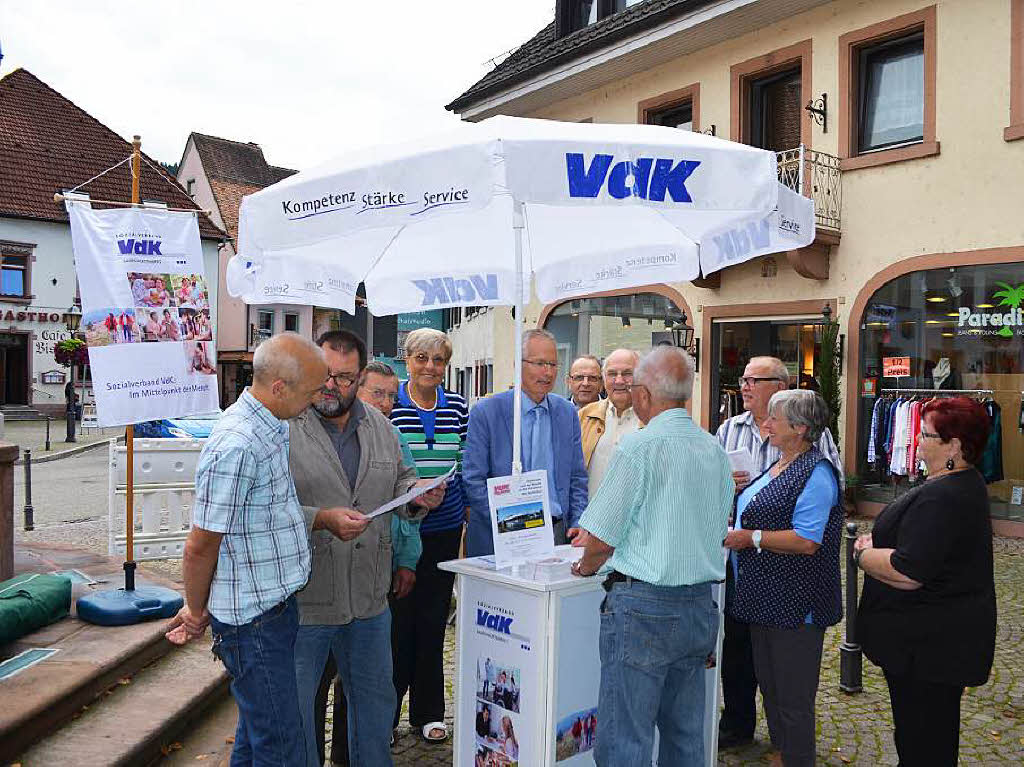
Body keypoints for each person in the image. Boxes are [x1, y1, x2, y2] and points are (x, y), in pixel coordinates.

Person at [164, 332, 360, 764]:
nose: (316, 400)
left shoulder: (272, 423)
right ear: (278, 388)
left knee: (257, 738)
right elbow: (201, 544)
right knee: (284, 748)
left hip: (275, 609)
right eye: (311, 392)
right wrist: (195, 611)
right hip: (253, 625)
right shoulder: (237, 444)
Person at [289, 329, 444, 767]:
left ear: (359, 378)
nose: (332, 386)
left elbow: (399, 483)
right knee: (299, 710)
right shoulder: (286, 425)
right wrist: (320, 518)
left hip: (370, 600)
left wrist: (417, 496)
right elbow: (265, 507)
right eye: (324, 375)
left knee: (375, 710)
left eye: (344, 377)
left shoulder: (381, 428)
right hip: (307, 599)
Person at [571, 346, 732, 766]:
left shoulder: (639, 448)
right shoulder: (713, 449)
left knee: (626, 737)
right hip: (699, 605)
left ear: (643, 394)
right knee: (684, 735)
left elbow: (600, 538)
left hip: (643, 608)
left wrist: (585, 565)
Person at [855, 397, 996, 766]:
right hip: (931, 649)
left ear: (953, 445)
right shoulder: (957, 485)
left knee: (925, 744)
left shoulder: (946, 496)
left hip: (928, 653)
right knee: (924, 739)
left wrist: (862, 555)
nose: (916, 438)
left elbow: (908, 571)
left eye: (926, 433)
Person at [716, 355, 843, 749]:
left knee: (791, 693)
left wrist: (751, 537)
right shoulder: (763, 454)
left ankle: (793, 754)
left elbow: (809, 538)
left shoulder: (815, 466)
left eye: (775, 420)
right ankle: (765, 742)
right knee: (760, 677)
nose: (765, 425)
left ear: (800, 428)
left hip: (793, 597)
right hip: (757, 591)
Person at [315, 360, 423, 765]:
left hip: (372, 582)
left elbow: (405, 496)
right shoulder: (311, 432)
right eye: (378, 393)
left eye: (392, 396)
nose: (387, 403)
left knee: (364, 688)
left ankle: (348, 757)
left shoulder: (392, 436)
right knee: (315, 685)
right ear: (354, 389)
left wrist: (408, 556)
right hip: (318, 588)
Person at [388, 327, 469, 744]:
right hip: (402, 530)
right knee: (397, 627)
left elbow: (464, 458)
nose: (430, 367)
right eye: (422, 358)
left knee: (434, 623)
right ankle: (387, 716)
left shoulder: (456, 405)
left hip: (444, 528)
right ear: (407, 360)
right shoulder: (390, 403)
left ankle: (428, 713)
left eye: (438, 360)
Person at [464, 329, 588, 555]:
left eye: (553, 364)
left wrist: (578, 521)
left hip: (557, 533)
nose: (547, 372)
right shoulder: (487, 413)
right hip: (503, 534)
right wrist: (512, 524)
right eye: (539, 363)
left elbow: (577, 477)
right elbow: (474, 480)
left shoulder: (567, 412)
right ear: (517, 365)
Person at [578, 349, 641, 499]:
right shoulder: (584, 416)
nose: (619, 381)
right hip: (588, 519)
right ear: (604, 379)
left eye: (627, 374)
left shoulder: (653, 420)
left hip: (634, 520)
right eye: (612, 374)